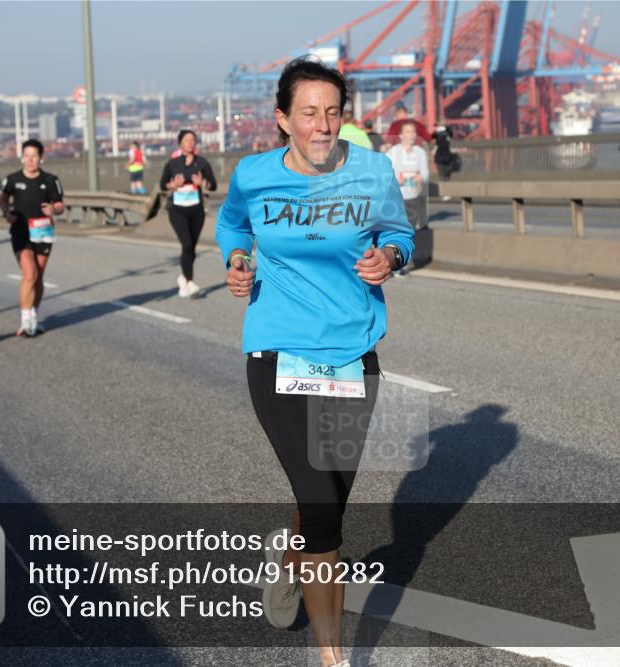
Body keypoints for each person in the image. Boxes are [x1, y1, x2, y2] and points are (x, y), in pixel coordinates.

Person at [215, 57, 414, 667]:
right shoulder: (254, 175)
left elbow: (401, 235)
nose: (324, 125)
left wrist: (389, 256)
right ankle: (333, 657)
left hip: (352, 354)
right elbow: (231, 226)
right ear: (283, 120)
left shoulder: (374, 170)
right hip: (276, 351)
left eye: (333, 112)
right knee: (325, 514)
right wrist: (238, 259)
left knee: (328, 496)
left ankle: (290, 553)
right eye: (309, 113)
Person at [0, 139, 65, 337]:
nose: (30, 160)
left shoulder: (51, 180)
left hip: (43, 232)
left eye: (34, 156)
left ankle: (34, 313)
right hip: (20, 230)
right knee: (30, 274)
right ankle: (26, 319)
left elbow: (60, 205)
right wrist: (6, 212)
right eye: (27, 156)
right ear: (22, 157)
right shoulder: (12, 179)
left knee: (38, 277)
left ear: (41, 158)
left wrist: (54, 209)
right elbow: (3, 199)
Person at [159, 129, 217, 298]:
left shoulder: (202, 163)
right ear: (180, 143)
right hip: (177, 210)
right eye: (187, 140)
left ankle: (183, 279)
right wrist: (173, 185)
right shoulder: (173, 164)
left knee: (191, 247)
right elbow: (163, 184)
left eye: (193, 140)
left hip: (196, 210)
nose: (190, 143)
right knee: (186, 244)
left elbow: (212, 185)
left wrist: (202, 182)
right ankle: (190, 282)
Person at [385, 120, 429, 276]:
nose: (411, 134)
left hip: (413, 197)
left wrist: (420, 177)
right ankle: (391, 263)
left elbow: (425, 173)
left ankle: (401, 264)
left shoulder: (420, 152)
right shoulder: (393, 152)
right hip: (395, 198)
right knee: (394, 231)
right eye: (408, 131)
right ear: (401, 135)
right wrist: (398, 180)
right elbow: (385, 174)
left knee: (408, 232)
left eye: (413, 131)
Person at [433, 117, 458, 182]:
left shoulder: (437, 133)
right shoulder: (448, 132)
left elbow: (436, 142)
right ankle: (445, 177)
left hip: (440, 152)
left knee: (440, 167)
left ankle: (442, 178)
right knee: (446, 166)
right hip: (446, 151)